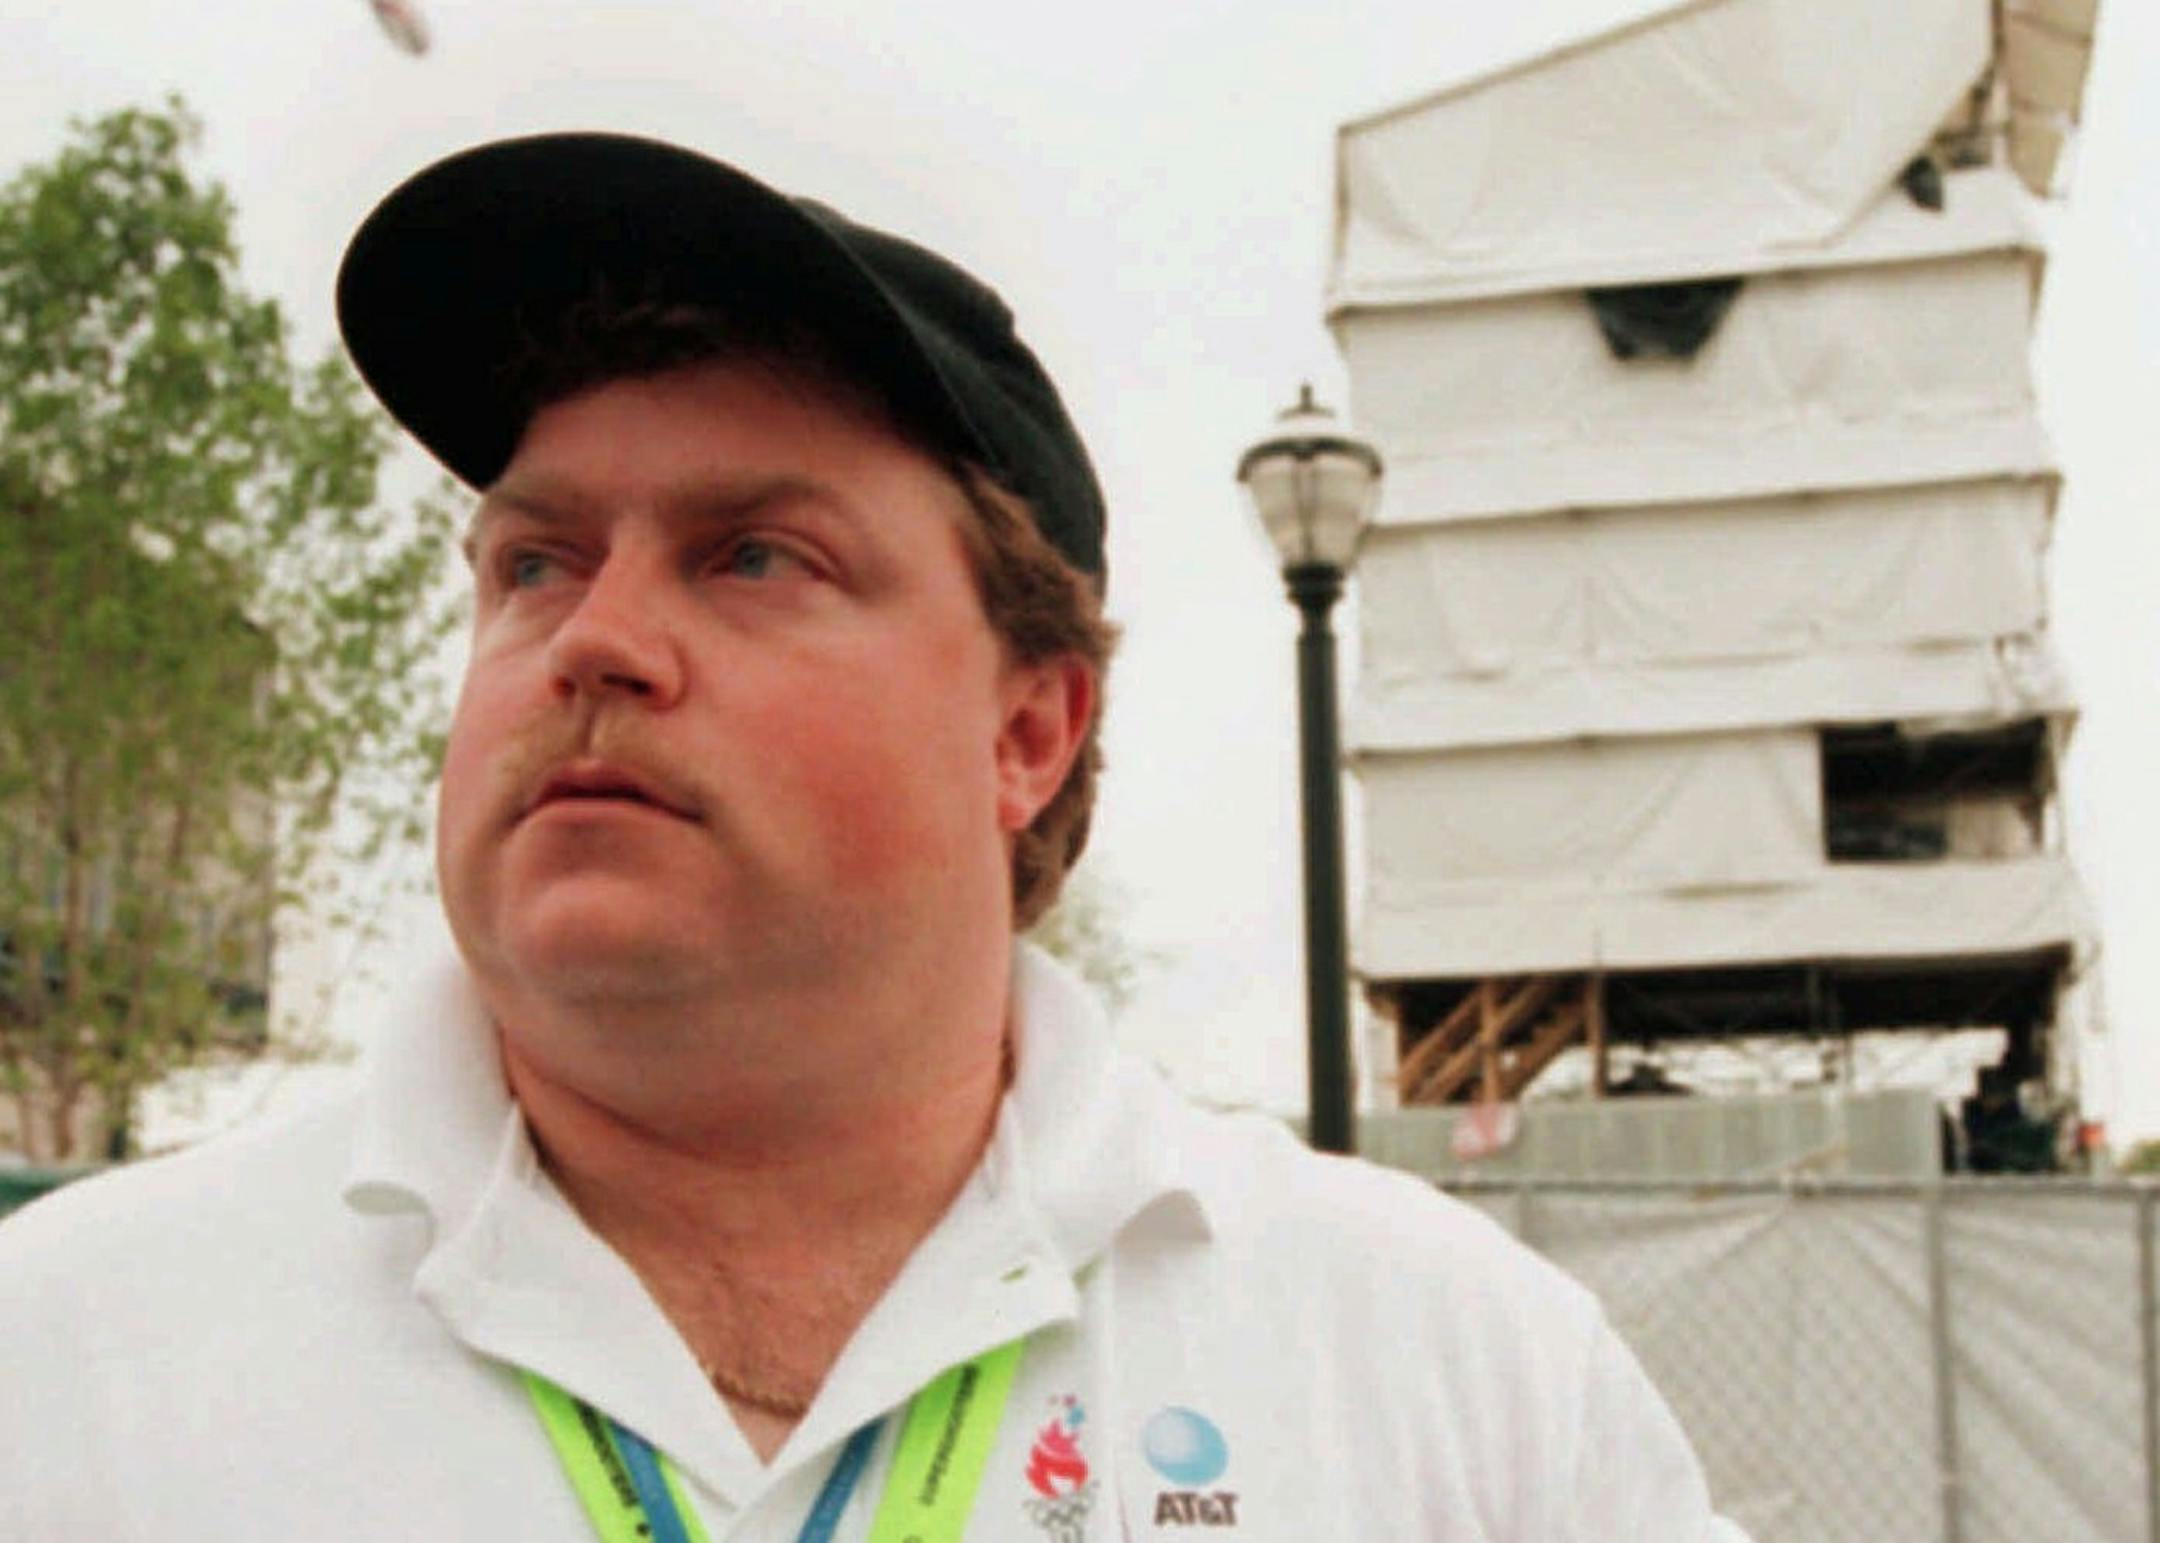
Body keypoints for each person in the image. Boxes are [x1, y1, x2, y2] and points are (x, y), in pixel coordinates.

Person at [0, 132, 1750, 1541]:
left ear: (1025, 730)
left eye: (753, 556)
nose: (592, 638)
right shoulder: (63, 1362)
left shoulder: (1452, 1375)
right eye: (533, 562)